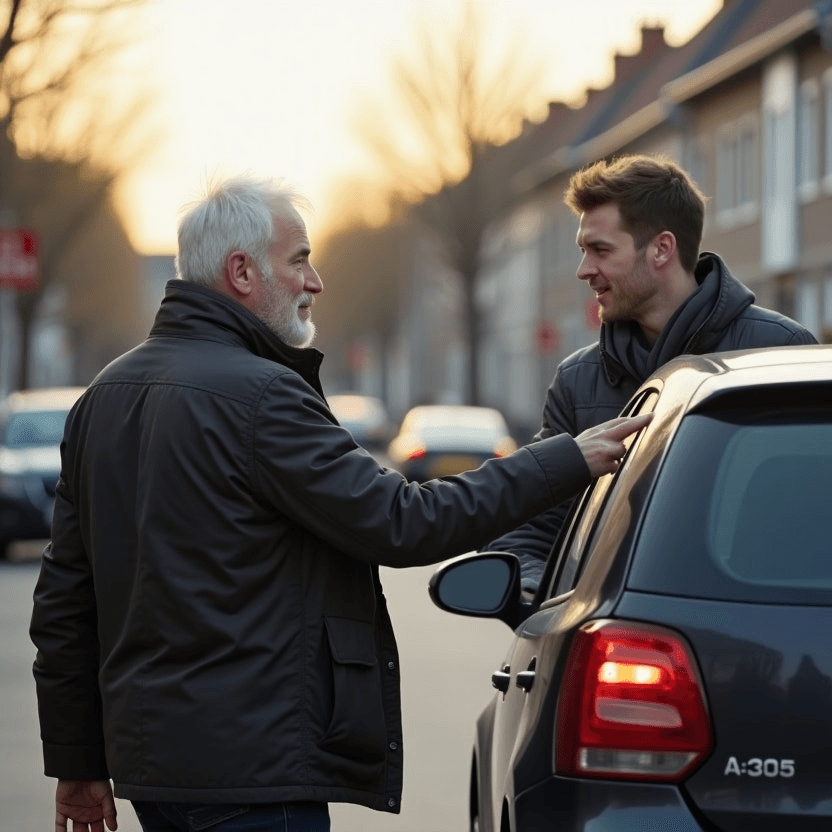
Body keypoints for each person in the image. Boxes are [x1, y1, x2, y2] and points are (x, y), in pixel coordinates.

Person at [29, 175, 650, 832]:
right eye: (298, 260)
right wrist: (565, 460)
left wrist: (78, 761)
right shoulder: (262, 398)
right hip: (254, 776)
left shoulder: (102, 398)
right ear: (242, 272)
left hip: (155, 775)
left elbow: (65, 601)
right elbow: (405, 521)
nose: (315, 281)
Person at [487, 154, 817, 590]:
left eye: (601, 250)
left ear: (662, 249)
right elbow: (531, 531)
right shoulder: (578, 381)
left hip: (755, 622)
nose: (584, 271)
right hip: (615, 630)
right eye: (583, 251)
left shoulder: (779, 351)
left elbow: (814, 515)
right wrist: (538, 596)